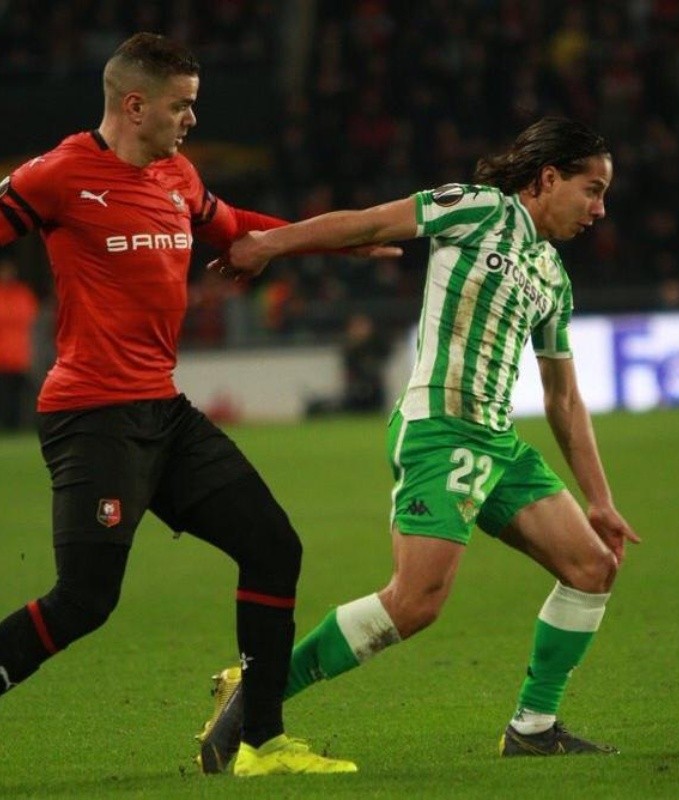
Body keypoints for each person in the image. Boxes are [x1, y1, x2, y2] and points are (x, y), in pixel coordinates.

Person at [0, 32, 403, 778]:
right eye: (181, 106)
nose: (190, 120)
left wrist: (323, 242)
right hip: (92, 416)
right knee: (84, 601)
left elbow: (233, 230)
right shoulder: (57, 176)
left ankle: (261, 743)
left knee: (273, 546)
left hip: (162, 410)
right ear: (134, 104)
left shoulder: (177, 177)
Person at [196, 116, 640, 770]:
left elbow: (564, 398)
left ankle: (533, 727)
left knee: (593, 566)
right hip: (440, 429)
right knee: (415, 602)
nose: (600, 209)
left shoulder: (552, 276)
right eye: (592, 189)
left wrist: (599, 500)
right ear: (548, 178)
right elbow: (372, 223)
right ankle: (259, 692)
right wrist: (269, 244)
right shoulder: (478, 208)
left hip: (496, 442)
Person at [0, 257, 39, 431]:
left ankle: (16, 426)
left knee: (17, 396)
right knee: (5, 394)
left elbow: (32, 319)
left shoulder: (23, 294)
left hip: (20, 356)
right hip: (3, 356)